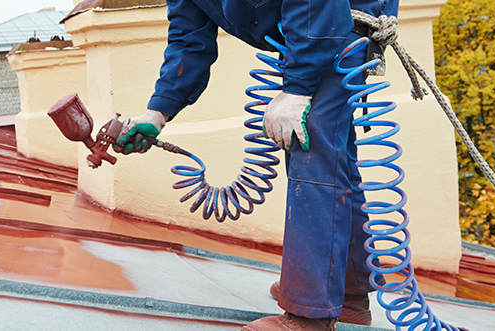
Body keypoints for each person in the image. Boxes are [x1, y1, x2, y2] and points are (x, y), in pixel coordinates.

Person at [113, 0, 399, 330]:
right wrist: (157, 113)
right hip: (307, 30)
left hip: (335, 25)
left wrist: (297, 90)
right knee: (332, 160)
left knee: (310, 143)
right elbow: (189, 39)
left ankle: (311, 314)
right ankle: (346, 296)